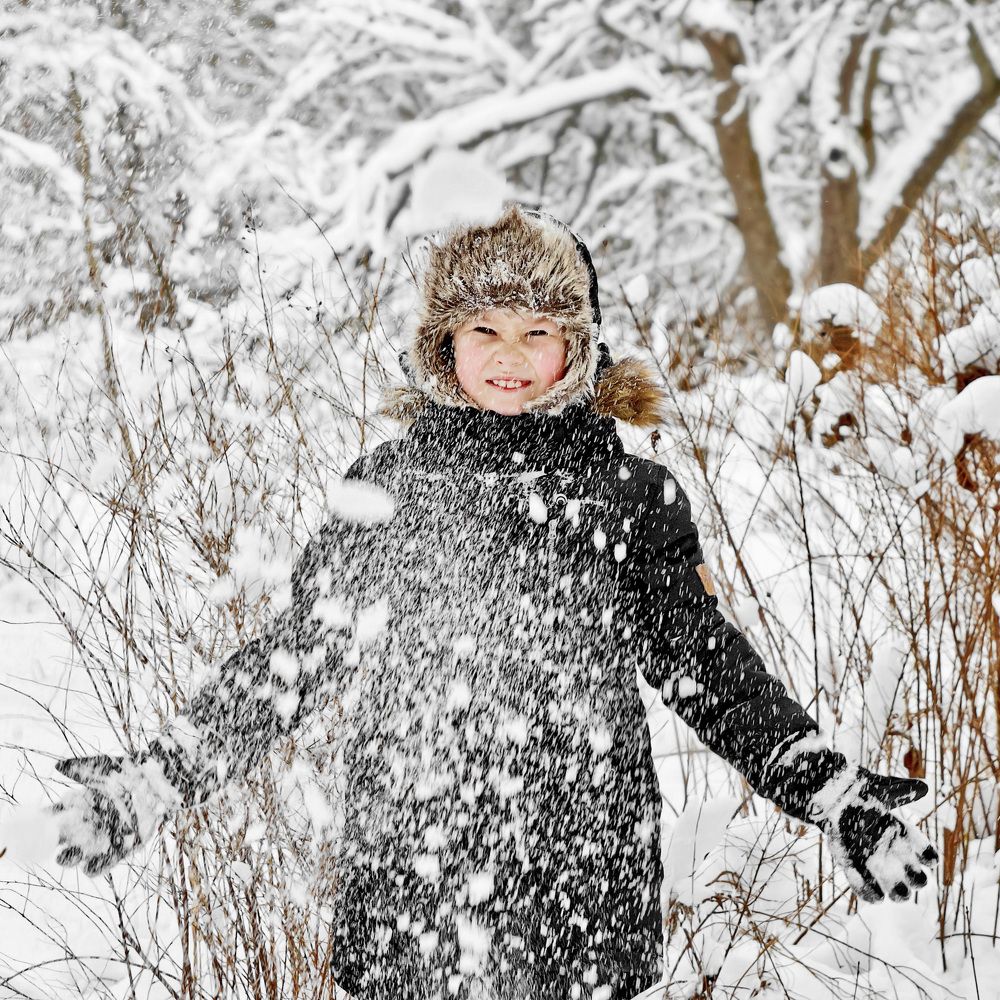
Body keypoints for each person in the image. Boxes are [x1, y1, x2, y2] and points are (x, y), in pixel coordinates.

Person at [51, 203, 938, 998]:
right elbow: (298, 659)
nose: (510, 358)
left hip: (583, 872)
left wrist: (828, 791)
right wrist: (160, 777)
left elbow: (706, 668)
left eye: (538, 331)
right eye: (484, 329)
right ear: (443, 344)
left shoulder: (632, 496)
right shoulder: (393, 488)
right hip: (411, 871)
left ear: (577, 348)